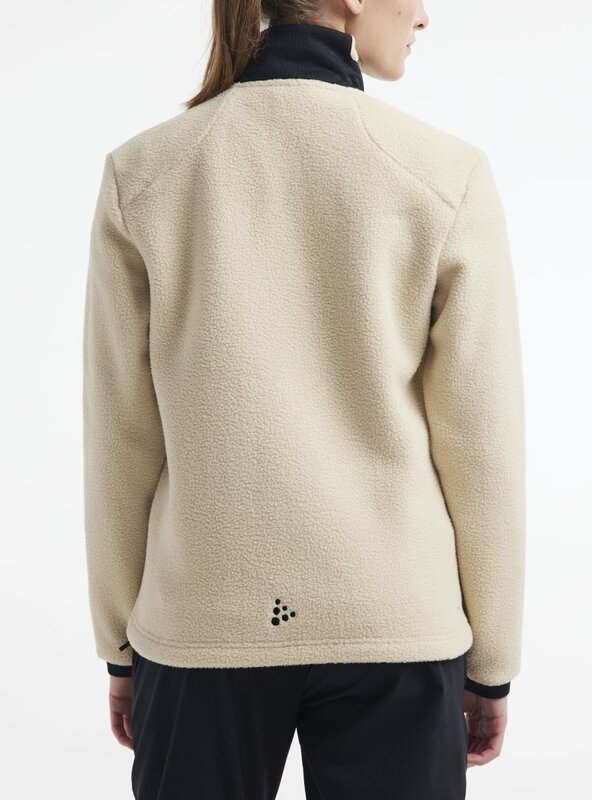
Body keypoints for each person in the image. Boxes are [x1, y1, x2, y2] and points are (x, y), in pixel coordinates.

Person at [82, 1, 526, 798]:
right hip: (395, 627)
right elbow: (482, 447)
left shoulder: (144, 173)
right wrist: (491, 661)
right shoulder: (445, 176)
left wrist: (120, 645)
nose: (424, 15)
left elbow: (120, 439)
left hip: (200, 625)